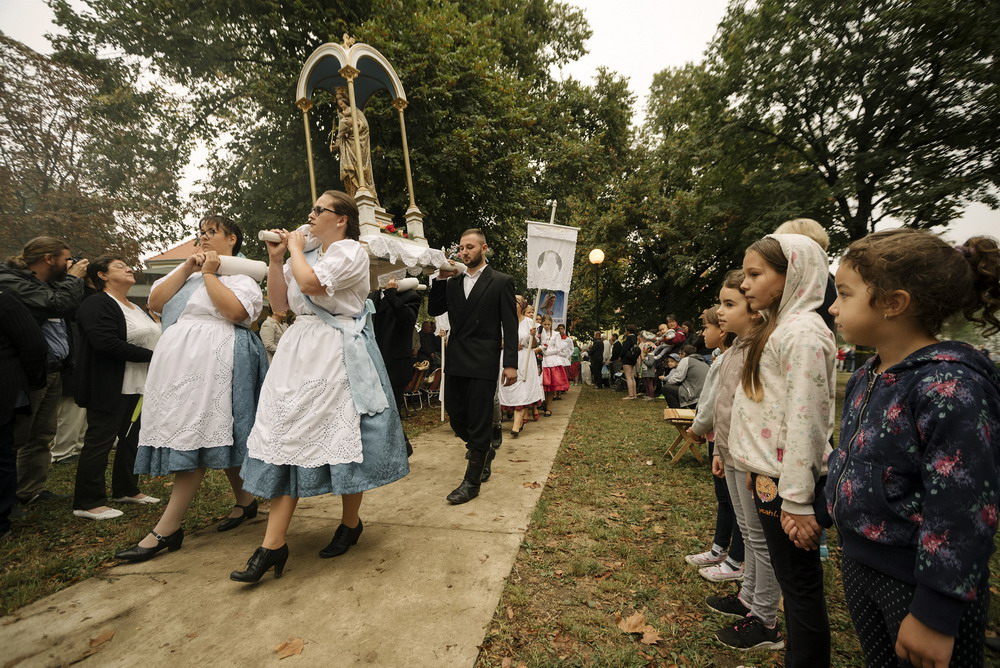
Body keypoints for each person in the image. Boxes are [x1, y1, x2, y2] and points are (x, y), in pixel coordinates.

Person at [810, 229, 1000, 668]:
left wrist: (936, 611)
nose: (833, 307)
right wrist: (826, 510)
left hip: (916, 582)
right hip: (860, 563)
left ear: (894, 303)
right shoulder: (866, 375)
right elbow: (853, 456)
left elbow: (965, 507)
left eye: (845, 293)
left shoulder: (949, 387)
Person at [230, 190, 409, 582]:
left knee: (344, 437)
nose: (310, 215)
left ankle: (349, 523)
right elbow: (280, 305)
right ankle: (272, 544)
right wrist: (277, 260)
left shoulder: (350, 252)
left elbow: (311, 286)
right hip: (299, 351)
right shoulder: (304, 256)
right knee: (285, 436)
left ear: (341, 218)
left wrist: (293, 247)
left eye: (319, 210)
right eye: (311, 209)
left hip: (336, 353)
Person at [114, 215, 267, 562]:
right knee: (213, 430)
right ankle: (245, 502)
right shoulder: (186, 272)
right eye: (201, 234)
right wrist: (187, 268)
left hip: (214, 356)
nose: (204, 239)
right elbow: (157, 302)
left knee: (198, 431)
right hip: (180, 359)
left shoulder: (242, 276)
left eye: (212, 233)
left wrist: (211, 275)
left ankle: (167, 529)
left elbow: (234, 311)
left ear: (232, 238)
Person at [729, 234, 836, 666]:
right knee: (792, 581)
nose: (746, 285)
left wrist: (796, 498)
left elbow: (806, 421)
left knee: (800, 588)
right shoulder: (779, 327)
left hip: (785, 483)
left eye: (756, 274)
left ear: (793, 276)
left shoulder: (804, 335)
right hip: (769, 475)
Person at [429, 228, 518, 505]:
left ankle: (471, 482)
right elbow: (434, 310)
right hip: (456, 357)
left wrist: (510, 364)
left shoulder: (501, 281)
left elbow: (510, 326)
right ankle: (485, 450)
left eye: (469, 247)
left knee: (480, 420)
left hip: (483, 358)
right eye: (461, 248)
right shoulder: (453, 281)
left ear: (484, 248)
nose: (463, 252)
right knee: (457, 418)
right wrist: (441, 280)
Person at [72, 256, 162, 521]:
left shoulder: (133, 306)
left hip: (139, 384)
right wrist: (154, 357)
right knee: (100, 442)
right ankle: (88, 502)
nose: (128, 268)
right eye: (120, 266)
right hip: (108, 385)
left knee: (131, 438)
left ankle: (126, 488)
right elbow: (105, 343)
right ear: (102, 275)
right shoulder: (96, 303)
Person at [0, 236, 88, 506]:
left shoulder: (48, 284)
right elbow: (58, 305)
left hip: (53, 368)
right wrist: (73, 278)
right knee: (17, 437)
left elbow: (69, 310)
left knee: (42, 435)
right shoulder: (11, 280)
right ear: (49, 259)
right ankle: (8, 498)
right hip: (28, 371)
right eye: (65, 258)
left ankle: (29, 491)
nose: (68, 264)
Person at [685, 306, 746, 582]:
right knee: (724, 500)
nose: (702, 333)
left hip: (722, 438)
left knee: (733, 503)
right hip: (717, 438)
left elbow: (713, 402)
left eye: (706, 328)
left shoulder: (725, 361)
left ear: (722, 331)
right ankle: (720, 548)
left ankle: (735, 558)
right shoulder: (721, 358)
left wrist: (697, 427)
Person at [0, 293, 47, 541]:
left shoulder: (5, 302)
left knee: (3, 453)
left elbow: (34, 346)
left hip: (4, 390)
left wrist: (26, 382)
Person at [369, 276, 421, 456]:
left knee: (392, 409)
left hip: (395, 364)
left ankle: (397, 451)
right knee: (378, 410)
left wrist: (392, 294)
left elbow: (407, 321)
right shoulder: (373, 296)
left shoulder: (410, 296)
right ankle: (401, 446)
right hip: (374, 360)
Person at [499, 296, 544, 438]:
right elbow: (496, 340)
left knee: (522, 389)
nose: (513, 304)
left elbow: (536, 345)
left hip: (525, 358)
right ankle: (508, 419)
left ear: (522, 306)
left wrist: (533, 337)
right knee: (507, 388)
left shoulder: (530, 323)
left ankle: (516, 425)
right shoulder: (502, 321)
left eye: (516, 302)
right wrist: (508, 344)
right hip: (507, 358)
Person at [329, 87, 377, 202]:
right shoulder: (342, 115)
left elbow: (364, 126)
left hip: (356, 145)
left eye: (341, 98)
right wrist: (336, 146)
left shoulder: (355, 111)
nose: (339, 101)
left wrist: (352, 123)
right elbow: (340, 134)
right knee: (347, 174)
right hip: (346, 147)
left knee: (357, 170)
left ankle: (363, 195)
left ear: (346, 98)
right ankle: (352, 199)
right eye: (337, 99)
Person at [537, 316, 569, 416]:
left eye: (548, 324)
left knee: (550, 386)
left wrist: (547, 352)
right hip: (541, 360)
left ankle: (549, 407)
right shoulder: (539, 333)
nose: (546, 326)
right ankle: (544, 404)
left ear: (551, 324)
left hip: (551, 361)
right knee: (543, 385)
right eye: (545, 324)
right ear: (542, 324)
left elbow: (558, 348)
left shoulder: (556, 334)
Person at [661, 345, 709, 409]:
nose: (679, 356)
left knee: (667, 388)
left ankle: (677, 412)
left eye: (680, 354)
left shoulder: (686, 360)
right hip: (704, 396)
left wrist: (667, 382)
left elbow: (677, 378)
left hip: (693, 396)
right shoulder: (702, 362)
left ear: (683, 354)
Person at [620, 325, 639, 400]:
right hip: (633, 359)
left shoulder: (629, 338)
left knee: (628, 376)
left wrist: (621, 356)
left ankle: (630, 394)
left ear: (628, 331)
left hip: (627, 359)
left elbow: (624, 350)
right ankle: (634, 394)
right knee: (632, 377)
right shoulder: (635, 338)